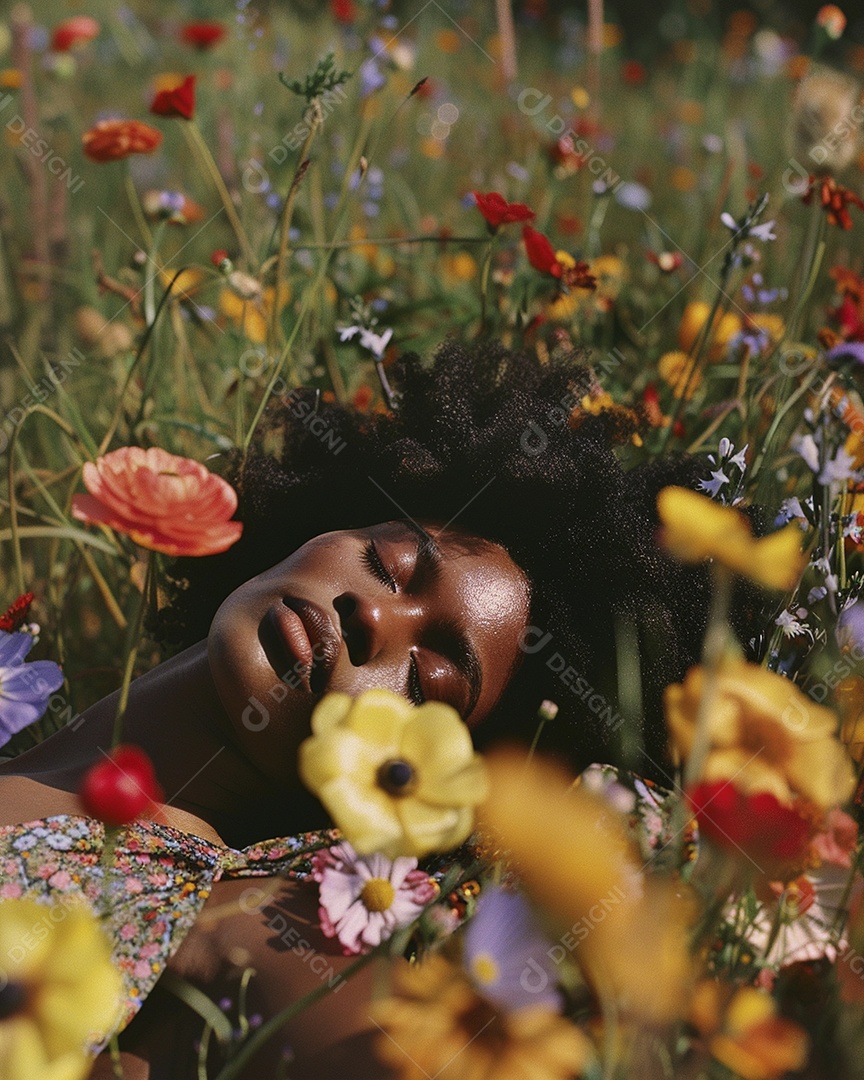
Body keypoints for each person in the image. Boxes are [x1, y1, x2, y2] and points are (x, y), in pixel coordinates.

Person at [0, 341, 730, 1078]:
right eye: (390, 564)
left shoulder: (240, 922)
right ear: (328, 520)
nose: (374, 619)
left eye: (429, 680)